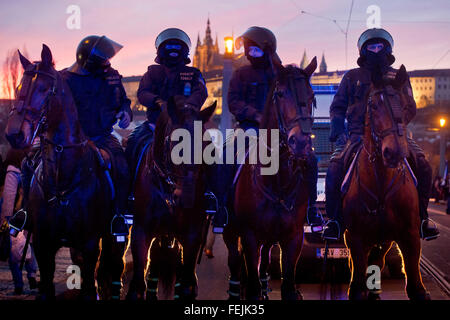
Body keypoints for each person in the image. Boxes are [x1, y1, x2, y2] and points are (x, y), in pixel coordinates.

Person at [323, 28, 439, 241]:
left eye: (379, 46)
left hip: (394, 135)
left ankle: (422, 219)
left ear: (387, 49)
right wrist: (338, 132)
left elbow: (410, 106)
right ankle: (335, 221)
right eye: (371, 47)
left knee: (422, 164)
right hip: (357, 135)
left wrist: (398, 129)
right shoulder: (352, 77)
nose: (376, 50)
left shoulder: (398, 77)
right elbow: (337, 108)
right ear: (363, 51)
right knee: (334, 168)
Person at [208, 26, 321, 233]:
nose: (251, 54)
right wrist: (255, 115)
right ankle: (221, 208)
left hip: (280, 131)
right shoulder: (240, 74)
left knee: (310, 160)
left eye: (256, 50)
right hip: (249, 128)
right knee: (225, 156)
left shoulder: (281, 75)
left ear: (267, 50)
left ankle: (311, 209)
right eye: (249, 50)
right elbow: (233, 102)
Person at [125, 28, 208, 214]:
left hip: (186, 126)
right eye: (169, 46)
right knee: (132, 145)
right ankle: (129, 196)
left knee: (210, 152)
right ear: (161, 50)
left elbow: (201, 92)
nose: (173, 50)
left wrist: (188, 107)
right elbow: (142, 93)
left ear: (184, 51)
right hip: (155, 126)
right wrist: (157, 101)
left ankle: (210, 196)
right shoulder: (152, 73)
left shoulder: (193, 74)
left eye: (177, 47)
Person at [61, 35, 133, 237]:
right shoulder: (66, 79)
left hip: (103, 136)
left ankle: (120, 214)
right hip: (72, 140)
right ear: (91, 63)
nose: (108, 63)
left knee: (122, 166)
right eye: (104, 60)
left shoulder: (112, 75)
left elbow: (124, 101)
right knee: (32, 161)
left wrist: (126, 113)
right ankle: (26, 212)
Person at [0, 148, 38, 295]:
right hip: (29, 215)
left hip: (15, 219)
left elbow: (8, 199)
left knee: (13, 252)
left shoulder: (12, 172)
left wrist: (4, 220)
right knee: (30, 245)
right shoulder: (30, 168)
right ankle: (32, 275)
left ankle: (19, 284)